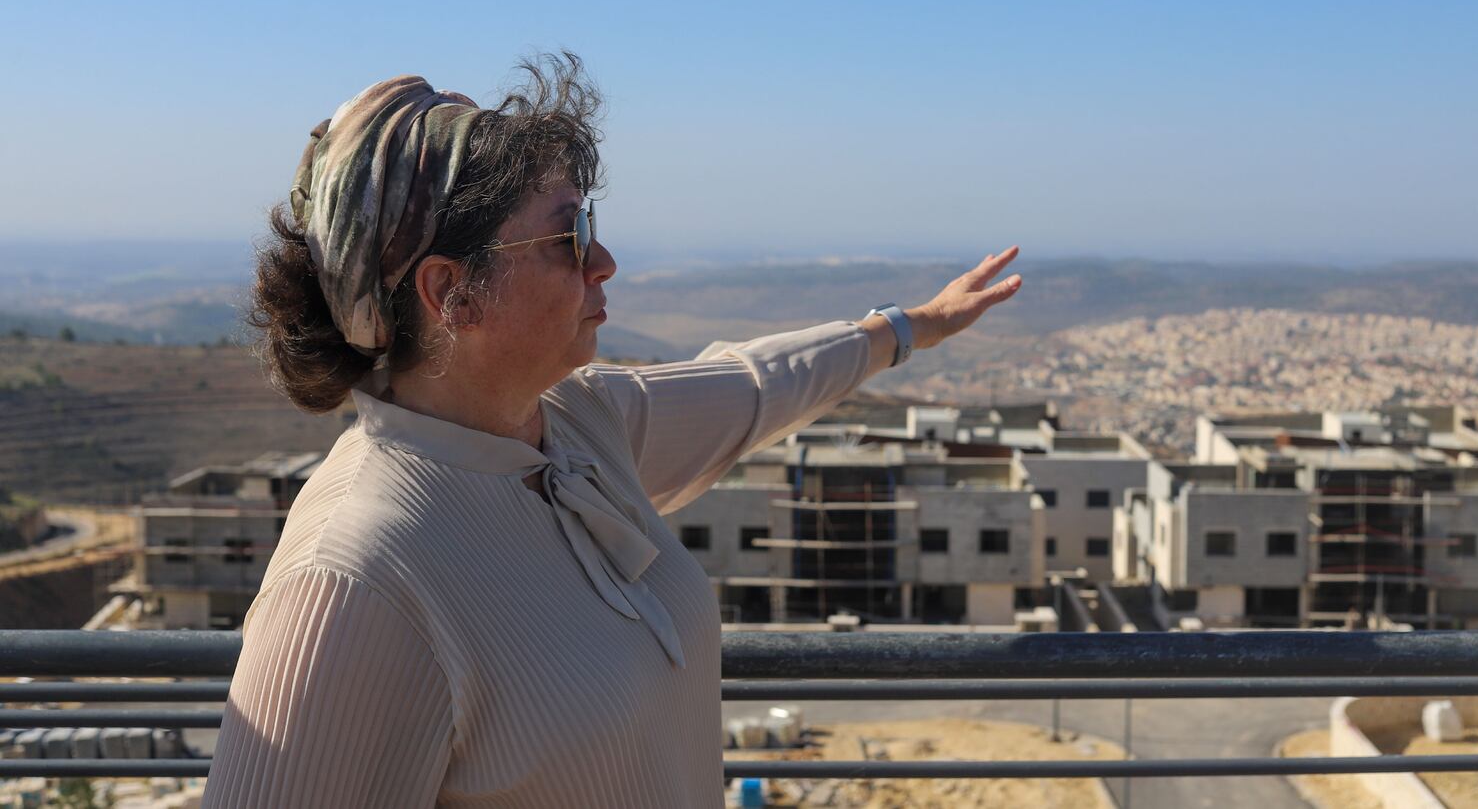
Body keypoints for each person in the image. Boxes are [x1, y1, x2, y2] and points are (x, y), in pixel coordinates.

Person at [204, 54, 1023, 808]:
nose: (603, 262)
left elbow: (753, 386)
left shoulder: (575, 425)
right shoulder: (351, 579)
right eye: (569, 237)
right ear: (452, 293)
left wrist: (909, 328)